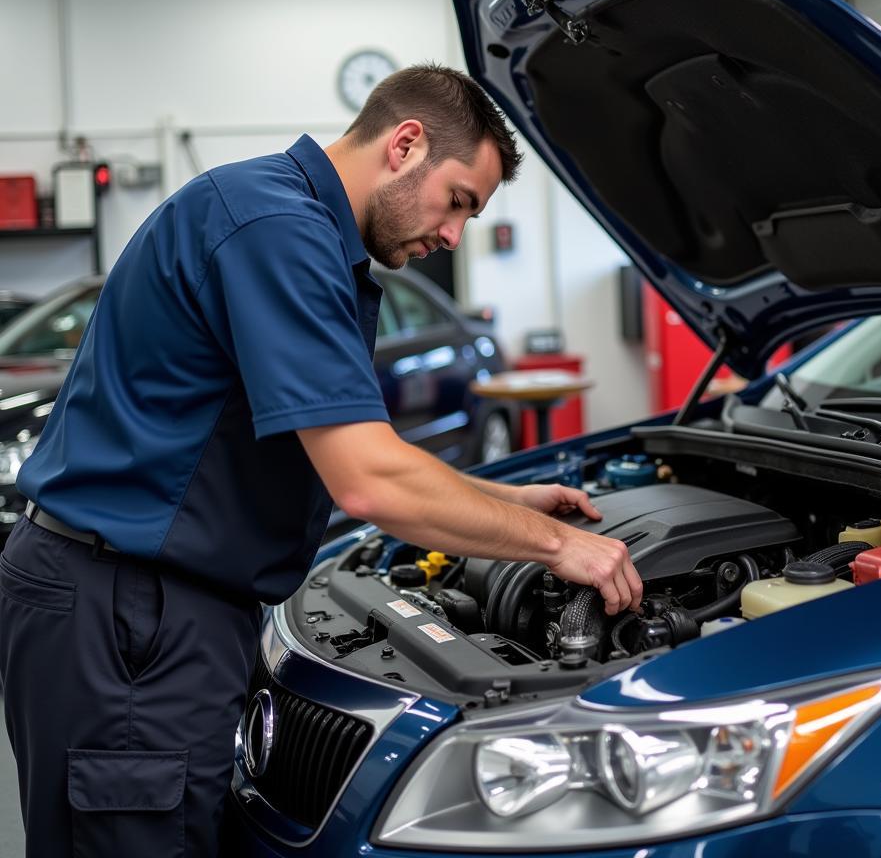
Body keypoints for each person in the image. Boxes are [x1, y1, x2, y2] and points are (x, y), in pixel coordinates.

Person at [0, 63, 643, 858]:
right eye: (458, 203)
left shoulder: (278, 214)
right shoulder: (277, 228)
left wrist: (515, 505)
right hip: (129, 613)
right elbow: (367, 480)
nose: (452, 236)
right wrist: (559, 546)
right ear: (406, 145)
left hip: (151, 600)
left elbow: (346, 443)